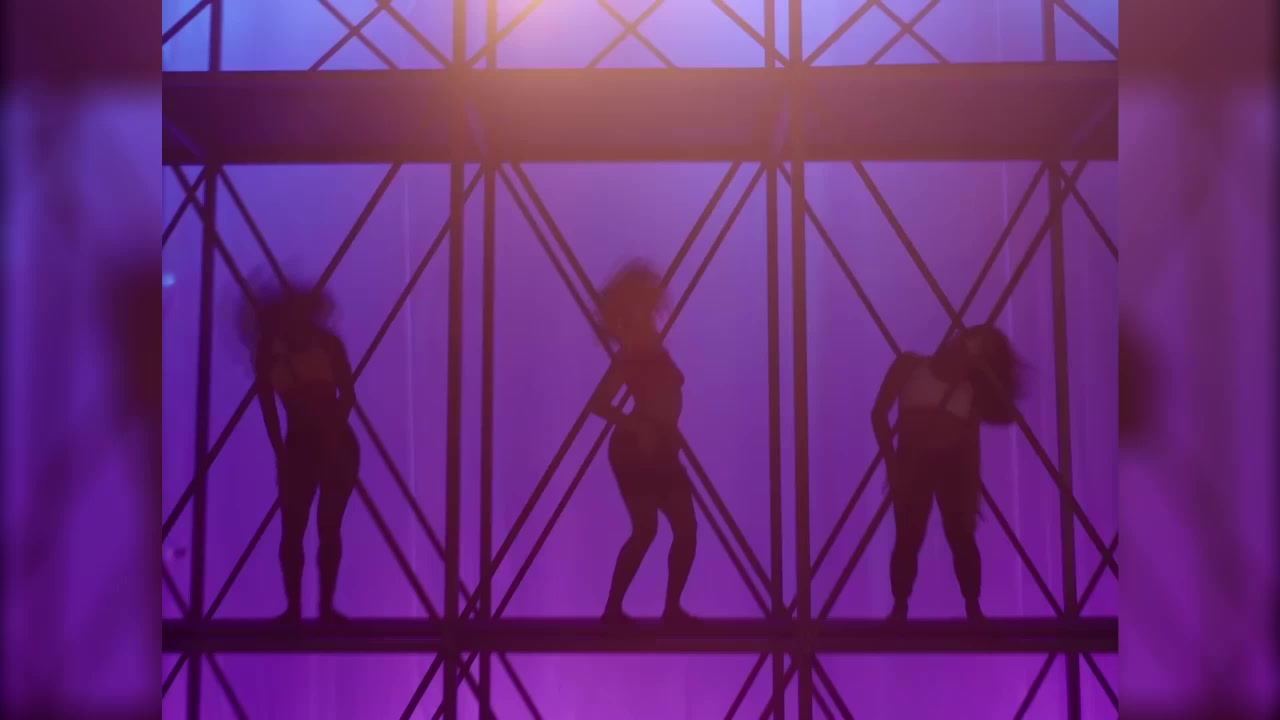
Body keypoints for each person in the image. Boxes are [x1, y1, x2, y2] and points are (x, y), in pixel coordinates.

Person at [870, 323, 1025, 621]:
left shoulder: (968, 390)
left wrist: (972, 491)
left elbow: (973, 444)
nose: (964, 348)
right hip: (913, 462)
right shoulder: (909, 365)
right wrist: (892, 464)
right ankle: (900, 607)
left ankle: (973, 608)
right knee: (908, 537)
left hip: (951, 465)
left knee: (961, 537)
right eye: (966, 341)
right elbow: (878, 413)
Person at [240, 279, 358, 622]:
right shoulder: (279, 351)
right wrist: (283, 454)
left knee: (320, 528)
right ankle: (308, 610)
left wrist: (285, 452)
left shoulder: (284, 351)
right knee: (302, 530)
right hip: (317, 442)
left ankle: (313, 610)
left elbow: (271, 407)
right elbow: (345, 396)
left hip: (322, 442)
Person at [590, 261, 697, 624]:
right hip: (637, 448)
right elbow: (599, 402)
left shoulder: (649, 344)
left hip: (662, 446)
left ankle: (670, 609)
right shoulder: (633, 351)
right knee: (647, 529)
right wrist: (636, 424)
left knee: (685, 529)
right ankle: (614, 611)